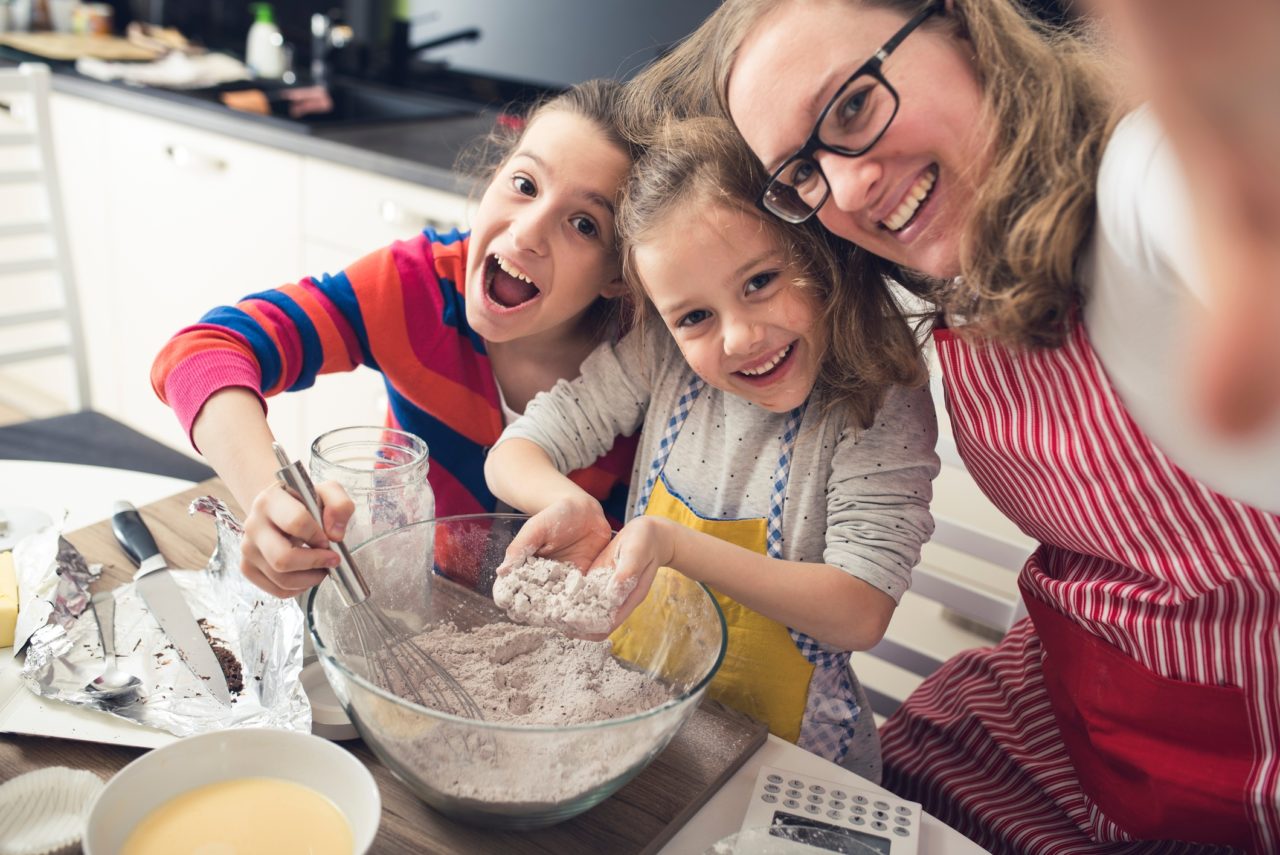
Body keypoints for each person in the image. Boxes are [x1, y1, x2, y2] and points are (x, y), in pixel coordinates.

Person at [633, 0, 1280, 851]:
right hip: (1063, 708)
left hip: (1227, 764)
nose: (852, 184)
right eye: (804, 172)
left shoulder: (1141, 180)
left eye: (855, 105)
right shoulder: (946, 289)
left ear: (965, 25)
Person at [484, 117, 939, 782]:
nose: (740, 337)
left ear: (813, 248)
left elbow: (860, 608)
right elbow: (514, 450)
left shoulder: (877, 394)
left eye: (759, 281)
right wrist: (567, 501)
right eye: (695, 316)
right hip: (651, 728)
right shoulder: (660, 359)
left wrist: (673, 544)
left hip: (793, 762)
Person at [150, 79, 640, 599]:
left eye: (584, 224)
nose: (525, 234)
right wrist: (266, 498)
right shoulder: (415, 288)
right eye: (524, 184)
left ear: (619, 274)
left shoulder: (646, 375)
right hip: (404, 603)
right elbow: (201, 351)